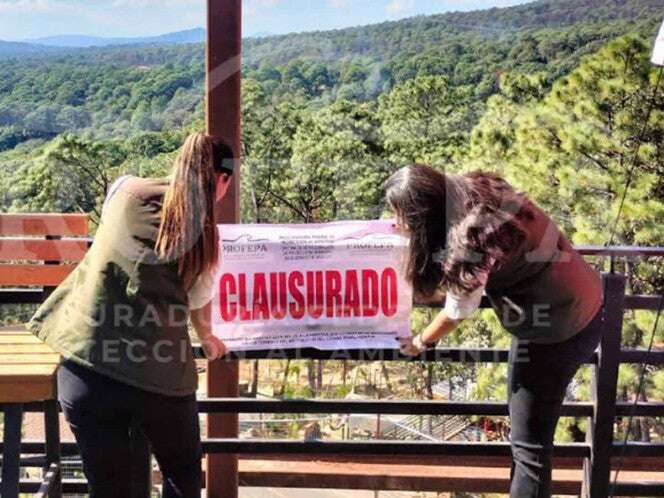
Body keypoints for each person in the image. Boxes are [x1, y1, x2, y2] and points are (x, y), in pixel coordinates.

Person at [27, 132, 234, 498]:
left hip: (85, 366)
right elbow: (199, 303)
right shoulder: (204, 236)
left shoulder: (124, 190)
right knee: (182, 474)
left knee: (110, 489)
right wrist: (208, 338)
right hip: (158, 379)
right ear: (222, 180)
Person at [386, 164, 604, 498]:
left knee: (530, 449)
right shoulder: (479, 188)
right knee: (528, 440)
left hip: (557, 329)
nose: (396, 224)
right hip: (583, 298)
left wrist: (420, 341)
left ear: (424, 215)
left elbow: (459, 309)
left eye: (402, 217)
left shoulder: (471, 241)